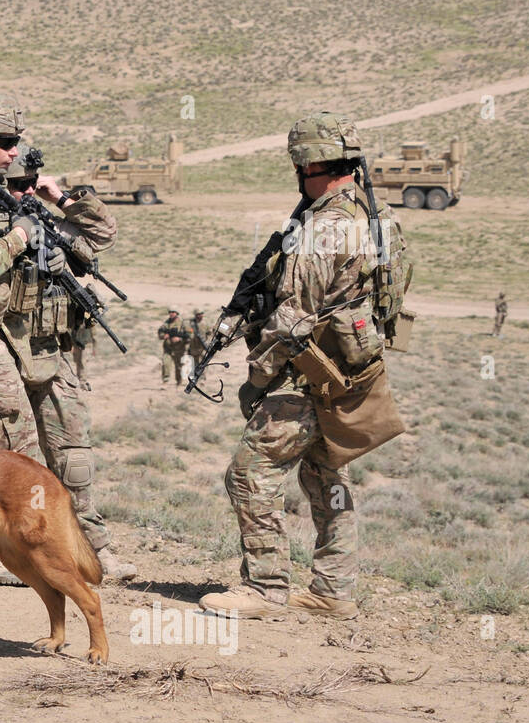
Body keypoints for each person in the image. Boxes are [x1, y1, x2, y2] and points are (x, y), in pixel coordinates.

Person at [0, 99, 136, 584]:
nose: (21, 170)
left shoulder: (26, 203)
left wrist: (59, 198)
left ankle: (87, 546)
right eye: (8, 147)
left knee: (68, 449)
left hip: (42, 339)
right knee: (4, 447)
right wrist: (18, 237)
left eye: (27, 165)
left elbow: (99, 236)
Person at [200, 111, 409, 621]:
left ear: (309, 165)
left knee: (249, 474)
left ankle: (265, 588)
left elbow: (294, 317)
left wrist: (256, 377)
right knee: (324, 477)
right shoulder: (372, 217)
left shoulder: (326, 227)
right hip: (348, 372)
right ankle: (333, 589)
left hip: (305, 374)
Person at [157, 308, 188, 385]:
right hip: (168, 349)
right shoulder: (166, 323)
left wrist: (179, 338)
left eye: (173, 312)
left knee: (179, 367)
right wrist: (164, 335)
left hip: (179, 349)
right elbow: (160, 331)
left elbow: (189, 335)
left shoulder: (182, 323)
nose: (171, 314)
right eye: (170, 312)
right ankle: (165, 381)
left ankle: (179, 381)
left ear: (177, 313)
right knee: (166, 364)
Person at [181, 308, 207, 383]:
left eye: (201, 314)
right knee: (192, 363)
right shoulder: (190, 324)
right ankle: (191, 379)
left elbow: (209, 333)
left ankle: (202, 379)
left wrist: (207, 342)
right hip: (193, 347)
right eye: (198, 314)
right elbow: (186, 332)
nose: (200, 316)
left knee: (202, 363)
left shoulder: (205, 324)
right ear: (195, 315)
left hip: (202, 347)